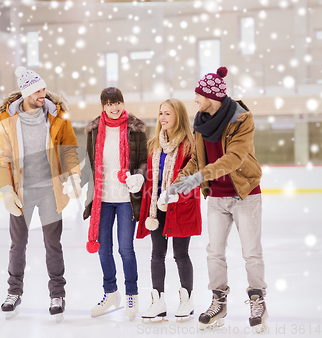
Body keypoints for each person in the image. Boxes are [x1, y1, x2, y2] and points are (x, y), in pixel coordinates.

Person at [167, 67, 268, 332]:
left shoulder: (241, 119)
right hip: (217, 197)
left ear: (211, 96)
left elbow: (234, 158)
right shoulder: (201, 121)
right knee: (214, 252)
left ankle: (258, 299)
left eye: (198, 94)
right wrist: (182, 177)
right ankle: (219, 300)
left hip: (244, 193)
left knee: (251, 252)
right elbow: (197, 159)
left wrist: (198, 177)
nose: (195, 100)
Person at [0, 66, 81, 322]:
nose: (44, 93)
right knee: (17, 245)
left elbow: (69, 150)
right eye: (38, 90)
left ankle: (57, 294)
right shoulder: (6, 119)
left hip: (50, 192)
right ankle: (13, 293)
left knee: (53, 245)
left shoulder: (57, 115)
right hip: (22, 192)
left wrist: (74, 174)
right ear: (26, 92)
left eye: (44, 88)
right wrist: (7, 189)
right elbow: (2, 158)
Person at [82, 87, 148, 320]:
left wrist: (139, 176)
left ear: (122, 103)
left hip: (126, 200)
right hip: (102, 200)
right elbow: (90, 164)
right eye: (109, 104)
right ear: (103, 106)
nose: (114, 107)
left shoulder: (135, 128)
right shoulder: (92, 130)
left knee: (125, 249)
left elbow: (142, 161)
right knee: (104, 250)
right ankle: (110, 292)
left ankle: (132, 293)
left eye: (117, 102)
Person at [136, 98, 202, 322]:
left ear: (178, 117)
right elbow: (150, 174)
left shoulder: (189, 144)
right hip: (157, 207)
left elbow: (194, 177)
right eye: (161, 113)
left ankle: (187, 298)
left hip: (180, 206)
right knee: (157, 254)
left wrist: (174, 193)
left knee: (181, 254)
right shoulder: (155, 143)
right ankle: (158, 301)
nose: (162, 118)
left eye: (167, 114)